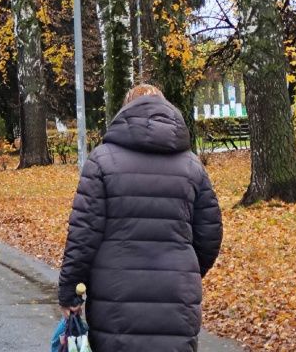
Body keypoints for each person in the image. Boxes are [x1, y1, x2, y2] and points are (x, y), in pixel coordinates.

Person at [58, 83, 223, 352]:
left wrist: (69, 293)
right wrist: (185, 271)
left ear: (126, 109)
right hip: (176, 293)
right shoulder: (192, 166)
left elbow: (83, 234)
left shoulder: (101, 161)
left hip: (115, 295)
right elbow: (210, 235)